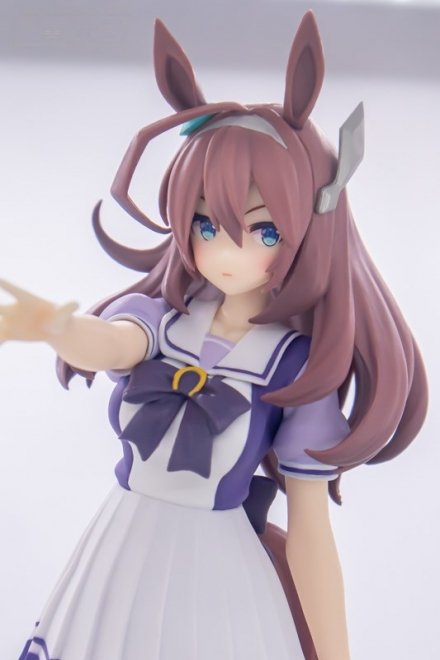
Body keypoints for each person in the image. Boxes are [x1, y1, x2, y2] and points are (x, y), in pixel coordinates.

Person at [1, 11, 427, 660]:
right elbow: (115, 343)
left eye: (262, 229)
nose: (224, 252)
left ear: (310, 227)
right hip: (120, 551)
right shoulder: (166, 320)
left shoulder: (291, 365)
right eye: (205, 225)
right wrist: (58, 329)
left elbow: (311, 533)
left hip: (213, 579)